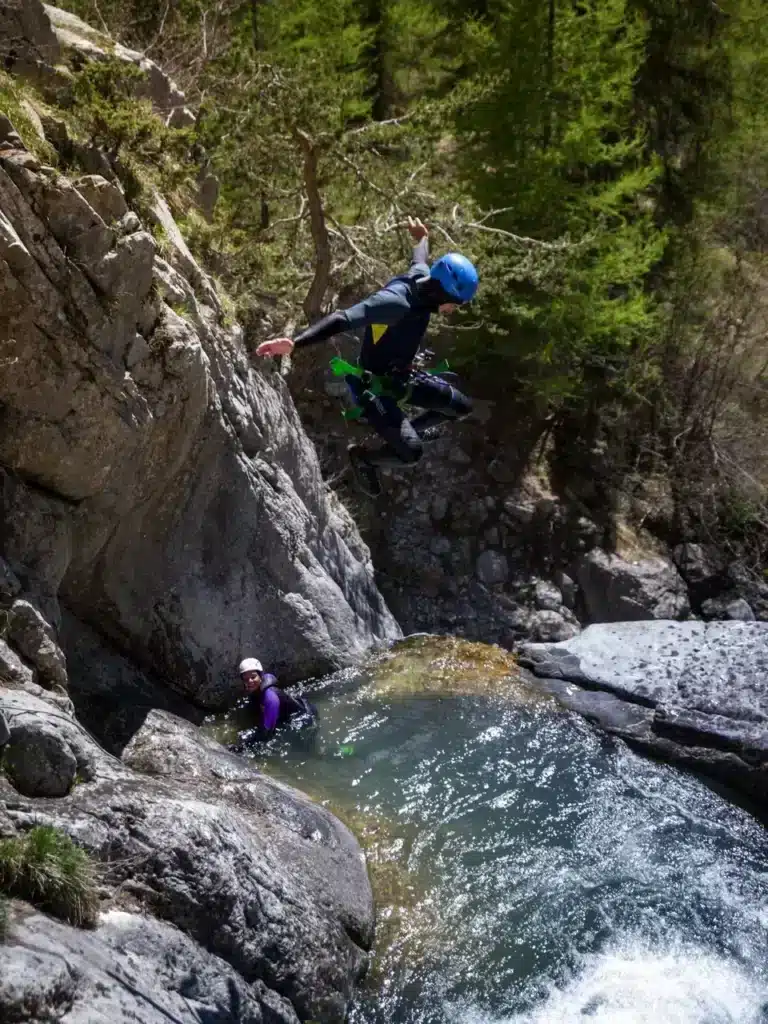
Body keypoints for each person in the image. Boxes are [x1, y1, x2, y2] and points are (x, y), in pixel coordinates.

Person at [254, 217, 479, 496]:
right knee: (411, 452)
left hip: (403, 376)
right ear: (442, 292)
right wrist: (296, 343)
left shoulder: (424, 278)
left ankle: (411, 428)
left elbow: (420, 257)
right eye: (455, 303)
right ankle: (364, 458)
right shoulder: (396, 302)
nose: (453, 309)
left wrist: (421, 237)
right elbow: (342, 318)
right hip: (373, 389)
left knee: (461, 407)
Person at [236, 658, 317, 741]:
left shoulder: (270, 697)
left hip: (304, 716)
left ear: (261, 676)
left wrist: (245, 745)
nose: (250, 681)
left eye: (253, 677)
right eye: (246, 679)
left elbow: (267, 730)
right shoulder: (256, 690)